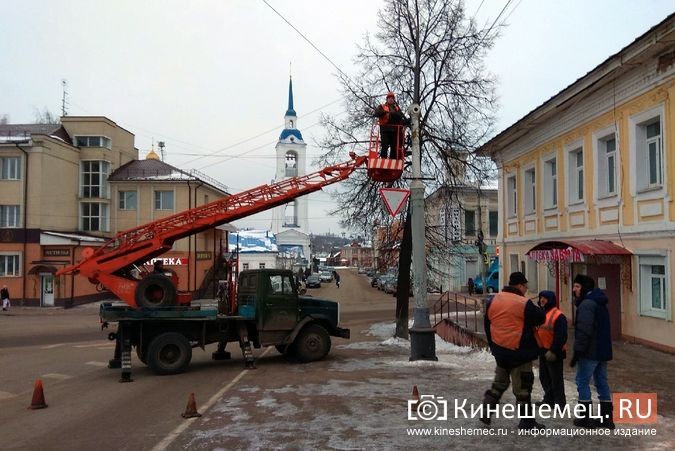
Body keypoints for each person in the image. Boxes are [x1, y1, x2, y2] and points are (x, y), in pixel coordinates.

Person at [480, 271, 546, 430]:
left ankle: (486, 411)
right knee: (523, 387)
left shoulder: (494, 300)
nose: (526, 290)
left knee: (499, 384)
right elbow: (540, 318)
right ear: (519, 285)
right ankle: (527, 421)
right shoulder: (523, 303)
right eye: (525, 286)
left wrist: (494, 346)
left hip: (501, 351)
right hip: (519, 352)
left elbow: (487, 325)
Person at [570, 274, 614, 429]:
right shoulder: (599, 301)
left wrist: (577, 352)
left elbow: (584, 331)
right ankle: (607, 419)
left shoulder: (587, 305)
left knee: (582, 381)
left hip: (590, 351)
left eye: (577, 286)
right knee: (602, 382)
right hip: (603, 350)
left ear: (584, 288)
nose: (574, 289)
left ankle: (585, 418)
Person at [534, 290, 567, 408]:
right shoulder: (542, 313)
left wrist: (553, 350)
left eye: (545, 298)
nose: (542, 300)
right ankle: (549, 400)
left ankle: (560, 403)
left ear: (551, 300)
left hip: (554, 353)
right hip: (543, 351)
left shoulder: (558, 315)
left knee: (556, 379)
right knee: (544, 377)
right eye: (541, 297)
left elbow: (561, 336)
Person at [373, 92, 407, 158]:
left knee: (394, 146)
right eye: (389, 98)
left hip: (394, 130)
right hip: (385, 129)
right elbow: (376, 113)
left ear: (394, 100)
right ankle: (383, 159)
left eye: (392, 98)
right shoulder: (382, 107)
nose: (391, 99)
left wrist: (406, 121)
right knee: (385, 145)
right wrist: (383, 112)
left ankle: (393, 160)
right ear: (387, 99)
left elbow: (400, 117)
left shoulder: (397, 109)